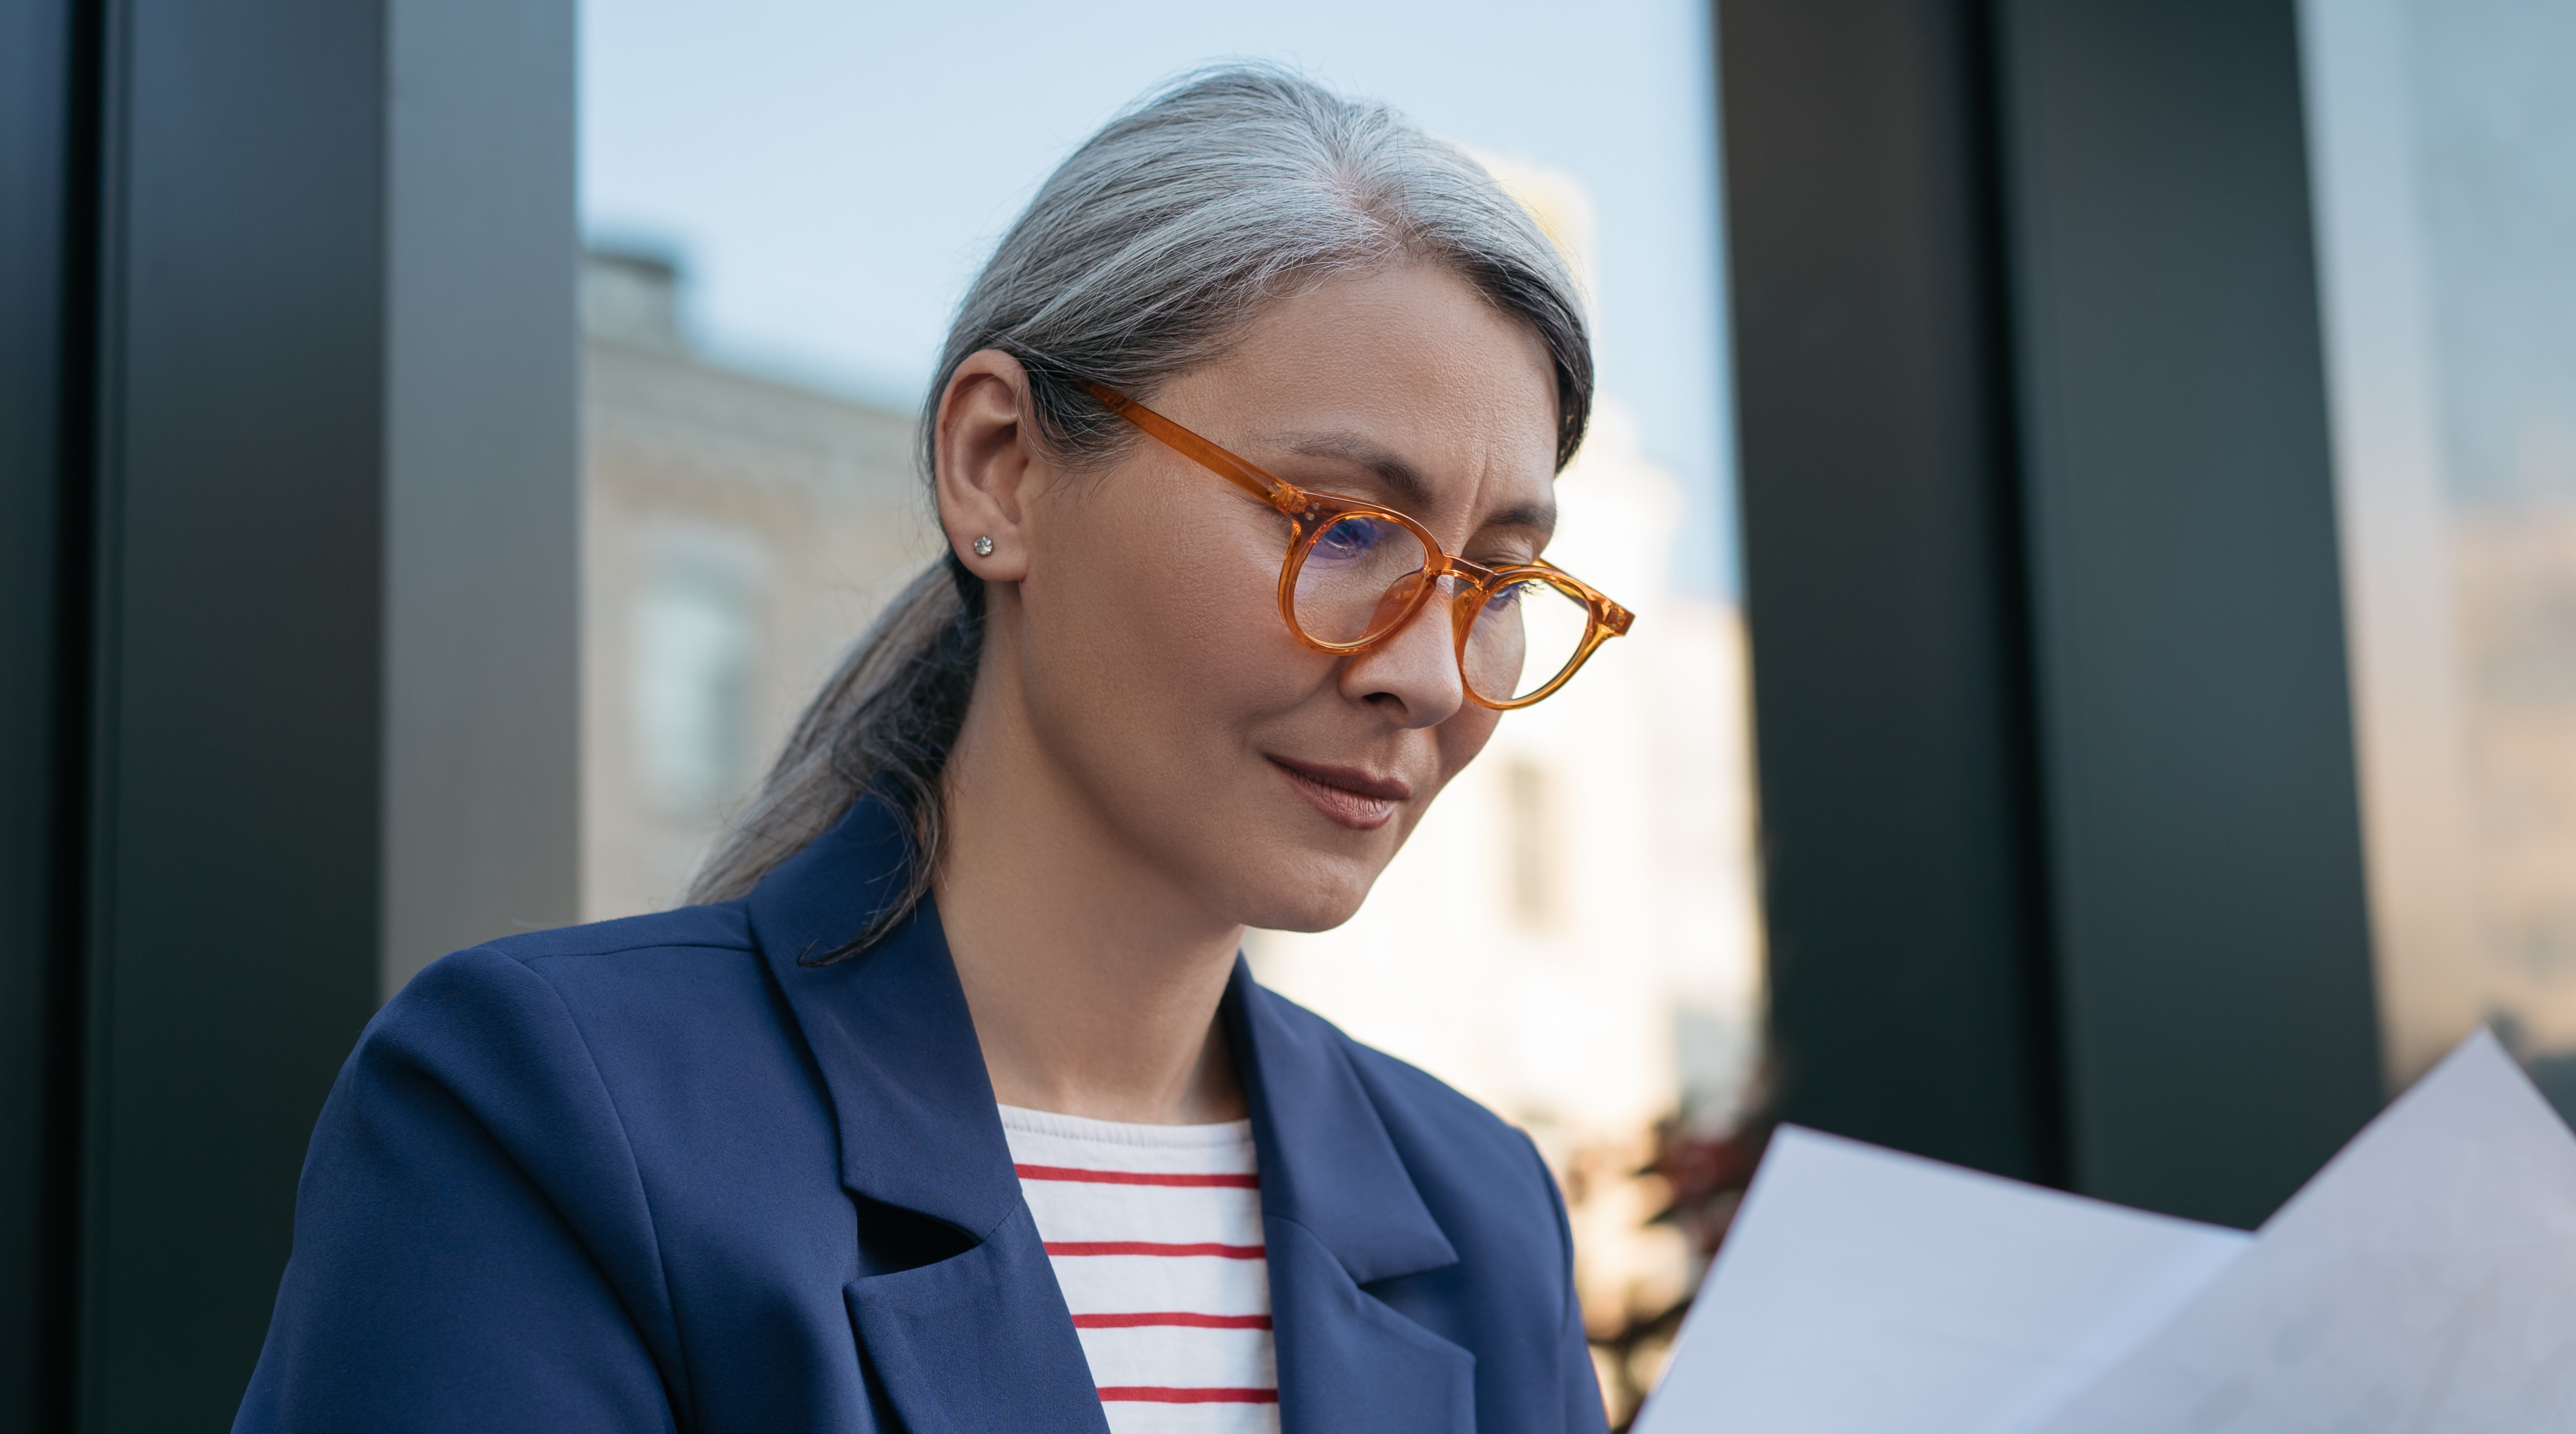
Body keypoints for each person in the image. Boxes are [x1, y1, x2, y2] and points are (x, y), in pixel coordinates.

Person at [234, 65, 1630, 1434]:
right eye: (1340, 526)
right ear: (1000, 466)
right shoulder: (545, 1111)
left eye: (1497, 587)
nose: (1426, 674)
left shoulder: (1479, 1211)